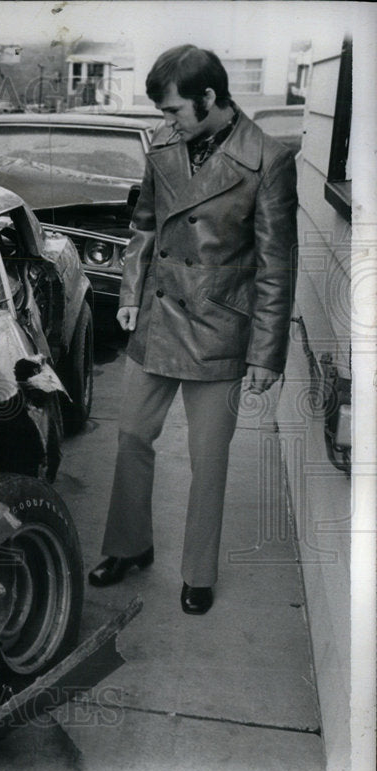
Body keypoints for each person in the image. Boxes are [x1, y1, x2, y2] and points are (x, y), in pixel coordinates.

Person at [87, 45, 297, 614]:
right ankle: (129, 546)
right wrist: (129, 294)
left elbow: (276, 267)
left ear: (209, 97)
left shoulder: (269, 160)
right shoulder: (162, 146)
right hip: (157, 319)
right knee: (132, 436)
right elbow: (144, 228)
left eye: (175, 109)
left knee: (210, 459)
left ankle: (198, 572)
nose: (167, 121)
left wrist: (265, 356)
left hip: (220, 328)